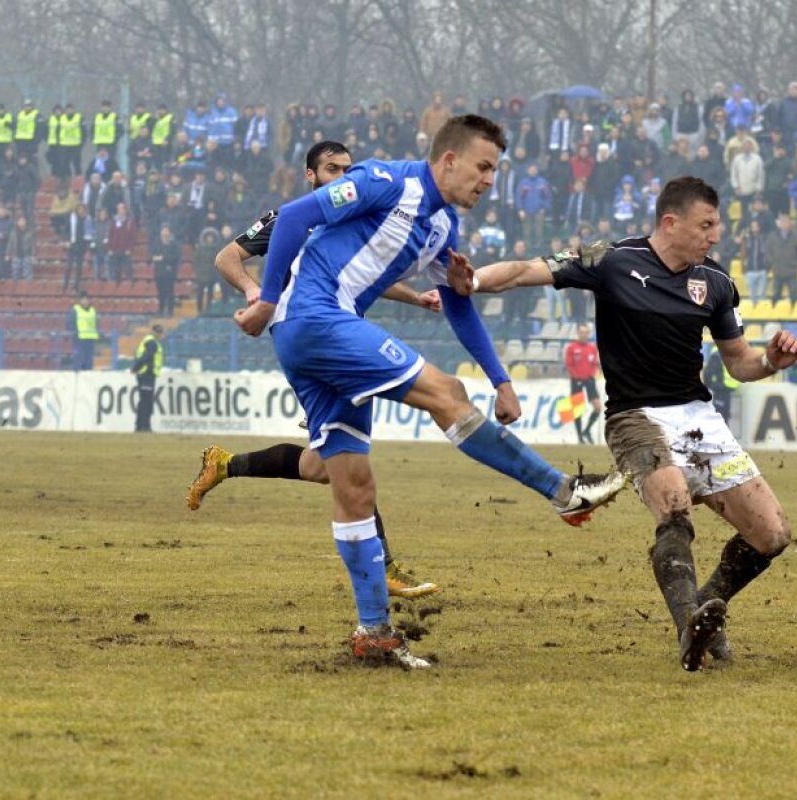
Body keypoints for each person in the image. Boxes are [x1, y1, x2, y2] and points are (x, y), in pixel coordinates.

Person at [231, 115, 625, 667]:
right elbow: (296, 216)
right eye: (483, 167)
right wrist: (268, 296)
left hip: (311, 337)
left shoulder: (442, 228)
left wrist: (502, 380)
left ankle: (375, 635)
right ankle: (562, 491)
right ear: (448, 160)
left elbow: (459, 303)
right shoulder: (386, 183)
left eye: (495, 170)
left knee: (352, 484)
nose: (489, 181)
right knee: (446, 392)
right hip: (314, 318)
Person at [450, 176, 797, 671]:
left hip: (699, 417)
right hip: (634, 417)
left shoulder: (716, 283)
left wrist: (768, 362)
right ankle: (689, 625)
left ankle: (705, 608)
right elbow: (526, 270)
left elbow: (739, 363)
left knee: (772, 534)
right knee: (675, 513)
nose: (715, 235)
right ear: (670, 222)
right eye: (706, 225)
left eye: (717, 225)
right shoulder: (613, 260)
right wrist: (476, 282)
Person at [187, 141, 446, 600]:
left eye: (347, 168)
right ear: (310, 175)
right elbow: (226, 256)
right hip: (306, 340)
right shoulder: (292, 216)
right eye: (331, 169)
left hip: (338, 336)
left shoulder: (355, 212)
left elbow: (371, 276)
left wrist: (417, 297)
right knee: (347, 457)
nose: (341, 175)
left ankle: (226, 464)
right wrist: (254, 292)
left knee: (323, 465)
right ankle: (383, 566)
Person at [564, 322, 602, 444]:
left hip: (589, 380)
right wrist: (577, 377)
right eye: (581, 332)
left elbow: (595, 365)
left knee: (598, 407)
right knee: (577, 409)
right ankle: (580, 436)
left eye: (586, 332)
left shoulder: (592, 348)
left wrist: (591, 375)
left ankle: (587, 430)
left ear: (589, 334)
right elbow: (569, 365)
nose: (584, 335)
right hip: (576, 381)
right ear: (577, 333)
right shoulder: (572, 347)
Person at [132, 325, 164, 432]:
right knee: (147, 402)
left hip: (144, 374)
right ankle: (145, 426)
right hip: (147, 374)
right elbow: (146, 357)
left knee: (143, 401)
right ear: (153, 332)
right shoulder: (152, 343)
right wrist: (135, 367)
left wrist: (136, 368)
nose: (159, 334)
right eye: (158, 332)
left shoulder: (147, 341)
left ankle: (139, 426)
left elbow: (140, 355)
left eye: (160, 332)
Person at [70, 292, 100, 370]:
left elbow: (96, 322)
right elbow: (71, 323)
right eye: (83, 299)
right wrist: (75, 333)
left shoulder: (93, 310)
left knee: (89, 360)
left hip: (91, 338)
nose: (85, 301)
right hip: (80, 338)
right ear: (79, 301)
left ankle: (88, 374)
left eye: (86, 299)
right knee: (80, 359)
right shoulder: (75, 310)